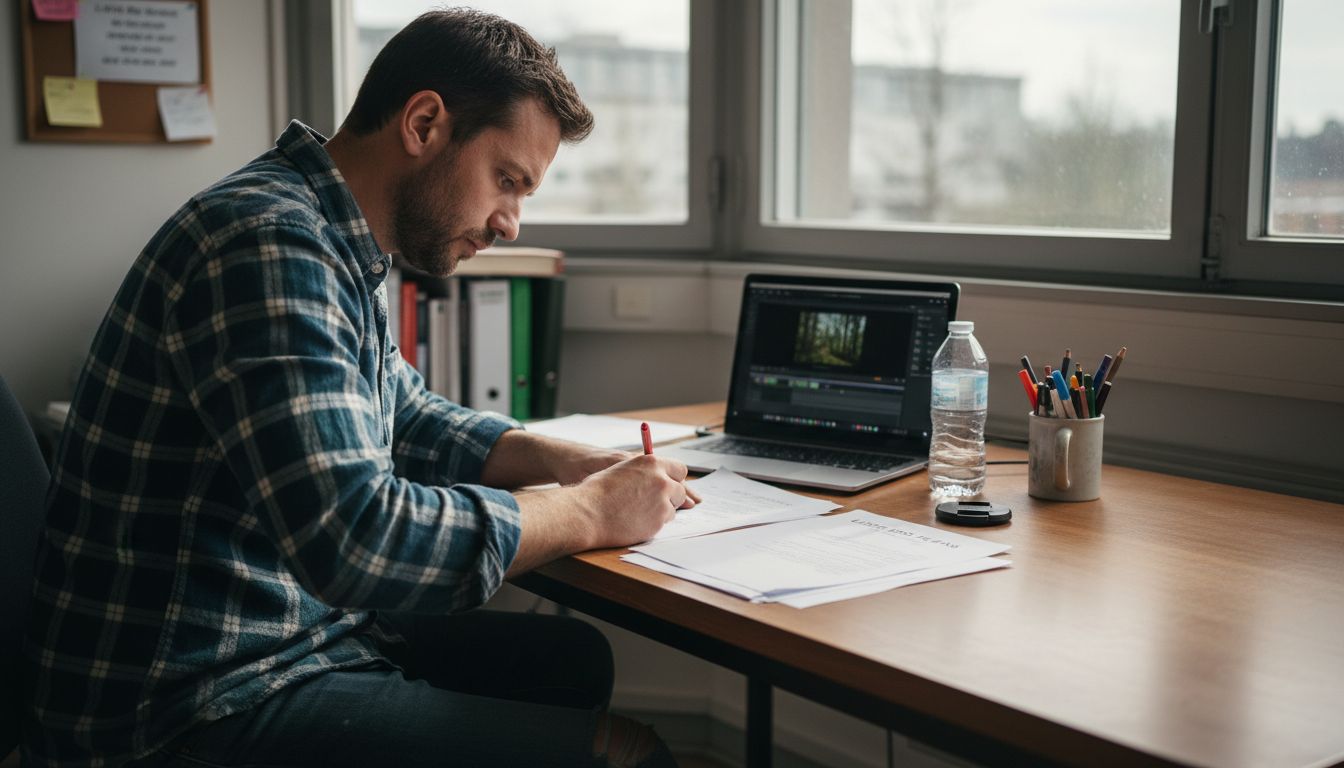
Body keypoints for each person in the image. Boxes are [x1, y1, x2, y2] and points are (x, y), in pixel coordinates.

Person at [23, 9, 695, 768]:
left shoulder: (330, 235)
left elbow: (402, 413)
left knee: (573, 661)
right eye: (507, 180)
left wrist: (559, 459)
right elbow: (356, 537)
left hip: (277, 636)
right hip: (183, 702)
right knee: (629, 756)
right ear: (424, 123)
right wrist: (588, 511)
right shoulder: (268, 244)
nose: (510, 223)